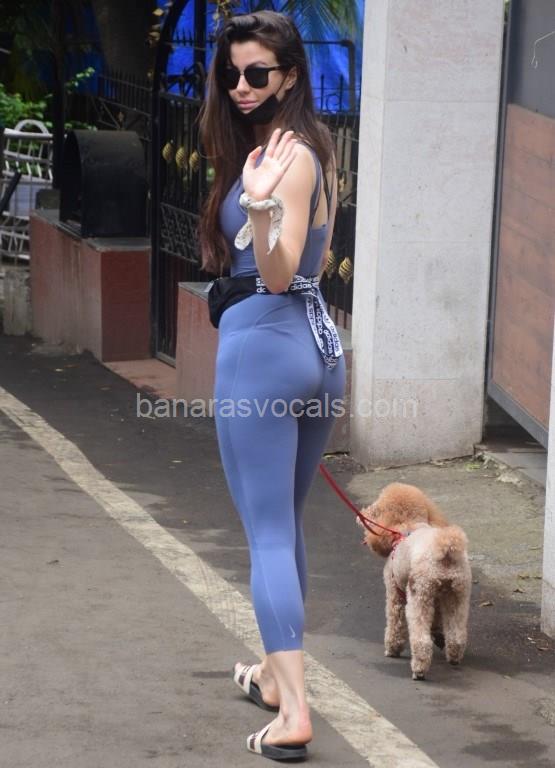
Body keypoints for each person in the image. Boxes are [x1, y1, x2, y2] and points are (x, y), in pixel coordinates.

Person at [198, 10, 346, 762]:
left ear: (289, 75)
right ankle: (270, 674)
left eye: (257, 73)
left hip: (263, 348)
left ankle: (293, 713)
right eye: (231, 73)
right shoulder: (314, 148)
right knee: (283, 524)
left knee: (268, 536)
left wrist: (256, 206)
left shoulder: (282, 159)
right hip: (317, 350)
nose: (241, 85)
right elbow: (311, 265)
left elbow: (279, 270)